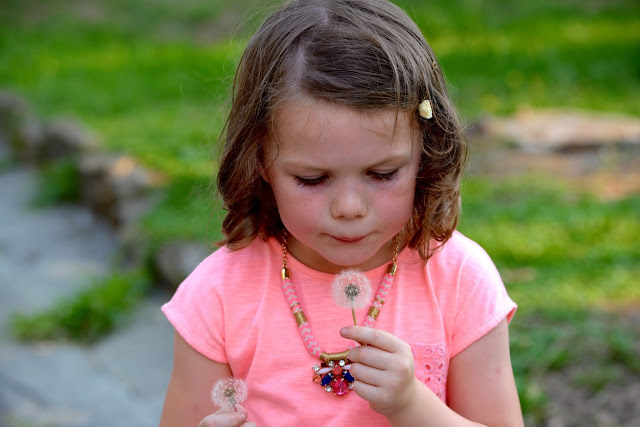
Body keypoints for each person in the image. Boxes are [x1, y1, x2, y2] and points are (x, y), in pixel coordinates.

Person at [160, 0, 524, 425]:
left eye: (382, 174)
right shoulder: (218, 295)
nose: (349, 208)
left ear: (425, 154)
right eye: (312, 179)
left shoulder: (459, 279)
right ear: (258, 160)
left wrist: (412, 405)